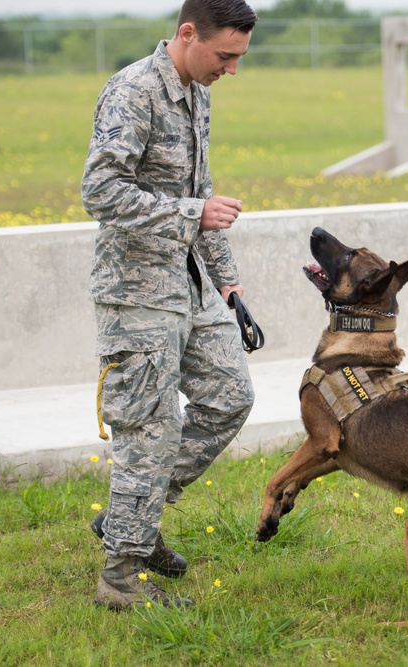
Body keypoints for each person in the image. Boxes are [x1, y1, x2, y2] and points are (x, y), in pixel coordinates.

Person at [81, 0, 258, 610]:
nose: (232, 70)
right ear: (188, 34)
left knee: (231, 397)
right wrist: (190, 213)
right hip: (136, 293)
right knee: (149, 432)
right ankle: (121, 580)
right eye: (225, 56)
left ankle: (135, 516)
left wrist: (229, 286)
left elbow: (199, 193)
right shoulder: (132, 90)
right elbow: (99, 190)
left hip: (190, 285)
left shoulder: (197, 93)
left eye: (239, 57)